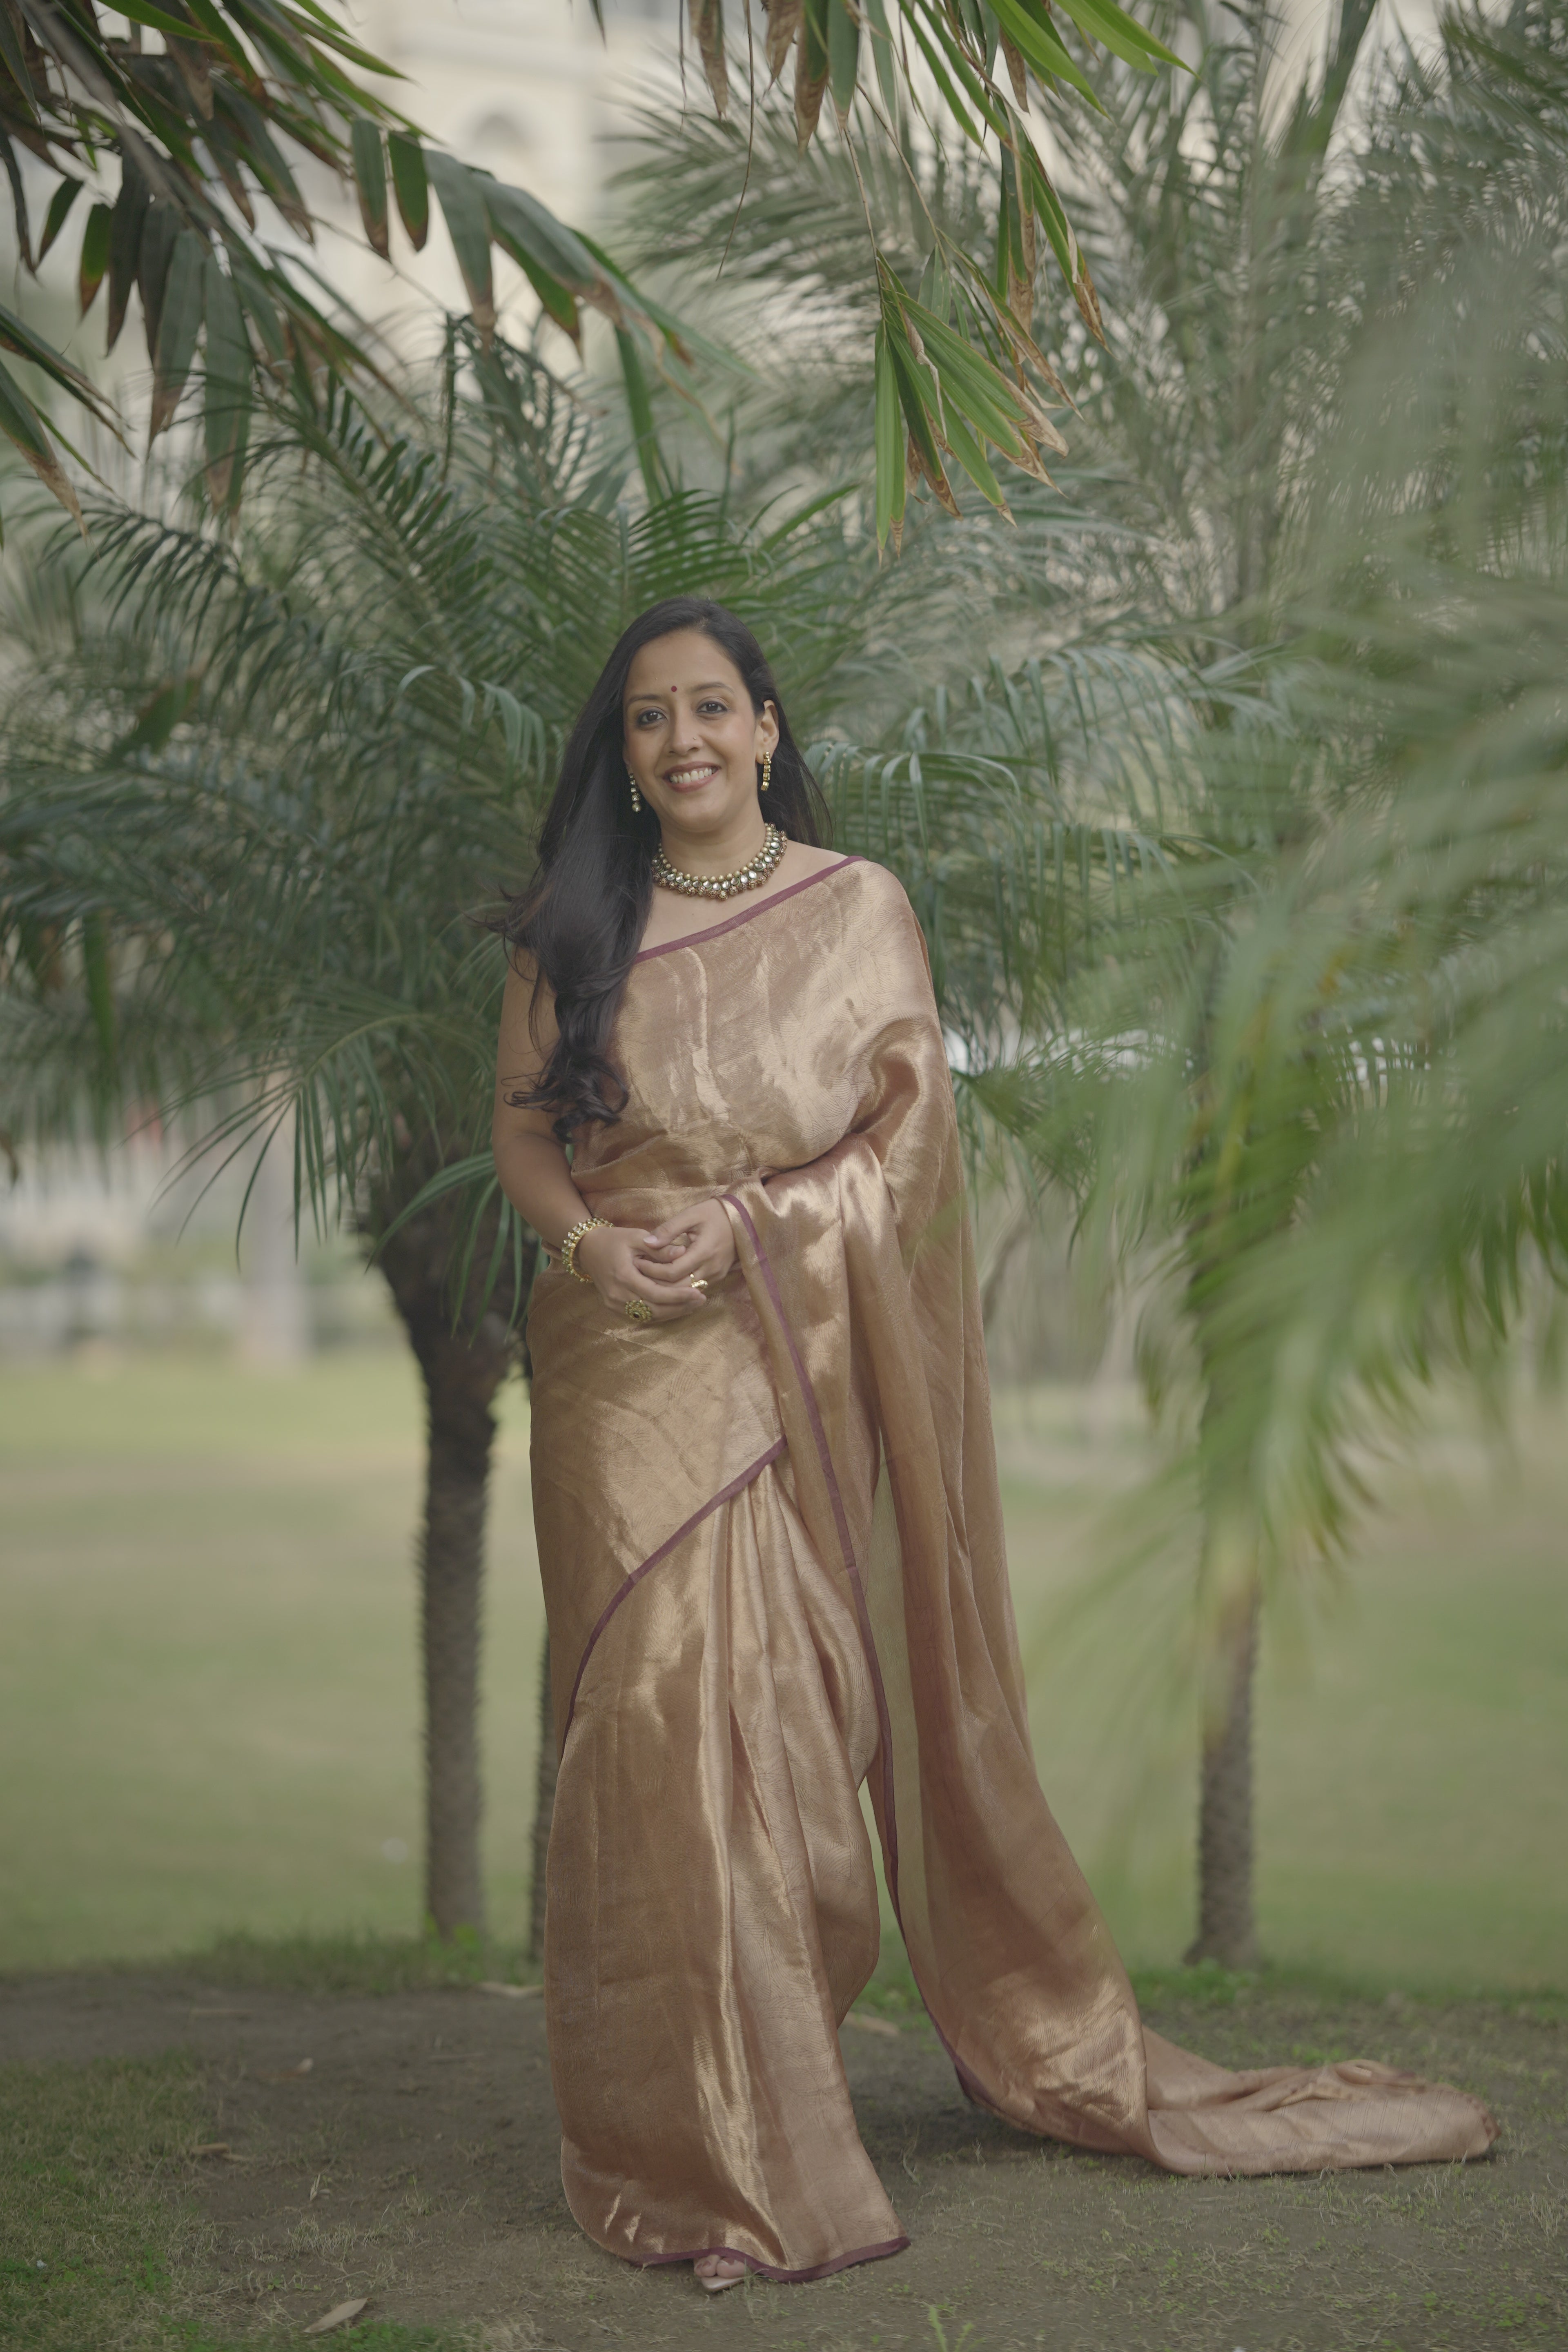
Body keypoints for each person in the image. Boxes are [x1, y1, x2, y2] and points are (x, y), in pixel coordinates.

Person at [490, 596, 1495, 2295]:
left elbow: (909, 1156)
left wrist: (759, 1230)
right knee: (654, 1731)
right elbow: (524, 1139)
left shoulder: (857, 909)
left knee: (787, 1734)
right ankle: (695, 2152)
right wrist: (592, 1246)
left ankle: (766, 2101)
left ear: (767, 727)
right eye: (651, 717)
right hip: (624, 1378)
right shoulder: (572, 933)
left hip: (796, 1357)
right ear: (626, 750)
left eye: (713, 707)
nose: (684, 740)